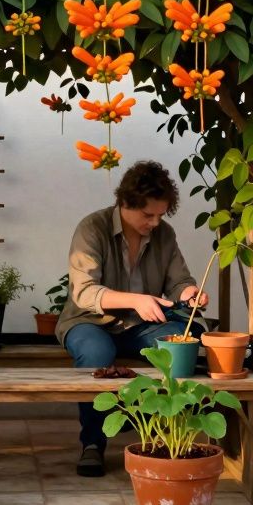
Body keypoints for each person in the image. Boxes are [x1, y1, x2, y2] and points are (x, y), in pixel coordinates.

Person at [56, 160, 207, 476]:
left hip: (141, 326)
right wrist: (136, 300)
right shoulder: (92, 228)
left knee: (179, 339)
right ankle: (93, 443)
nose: (154, 222)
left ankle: (162, 435)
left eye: (160, 215)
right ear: (125, 202)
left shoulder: (164, 234)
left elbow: (178, 281)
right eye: (147, 215)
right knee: (97, 354)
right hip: (89, 321)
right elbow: (84, 292)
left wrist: (190, 292)